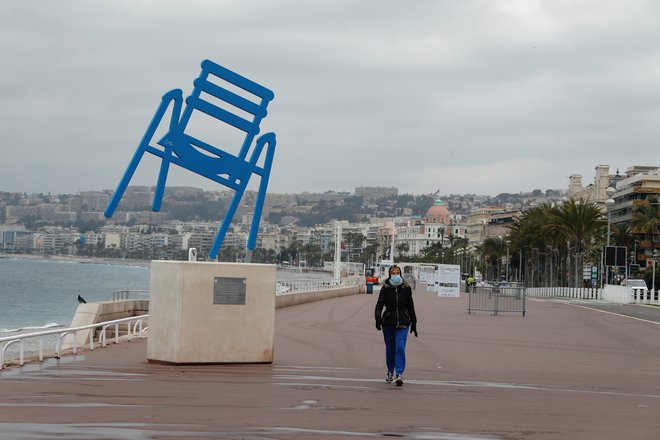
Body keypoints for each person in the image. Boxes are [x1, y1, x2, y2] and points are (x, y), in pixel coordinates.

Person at [374, 264, 417, 386]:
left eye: (397, 272)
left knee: (400, 347)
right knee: (390, 348)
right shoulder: (385, 288)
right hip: (388, 322)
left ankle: (399, 373)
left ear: (400, 274)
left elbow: (411, 306)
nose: (395, 275)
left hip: (403, 322)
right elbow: (379, 305)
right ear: (389, 275)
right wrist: (377, 318)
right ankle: (389, 371)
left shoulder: (406, 288)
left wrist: (414, 322)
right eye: (393, 273)